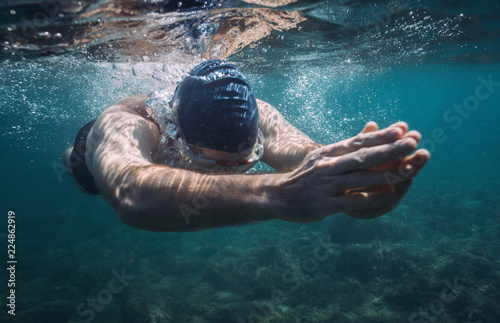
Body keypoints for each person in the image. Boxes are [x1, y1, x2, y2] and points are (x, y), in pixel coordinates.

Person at [62, 59, 429, 232]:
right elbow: (132, 194)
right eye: (213, 165)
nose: (232, 174)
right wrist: (282, 194)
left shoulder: (261, 117)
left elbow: (307, 158)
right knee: (83, 175)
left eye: (246, 162)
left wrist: (354, 185)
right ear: (178, 136)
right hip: (91, 151)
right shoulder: (129, 124)